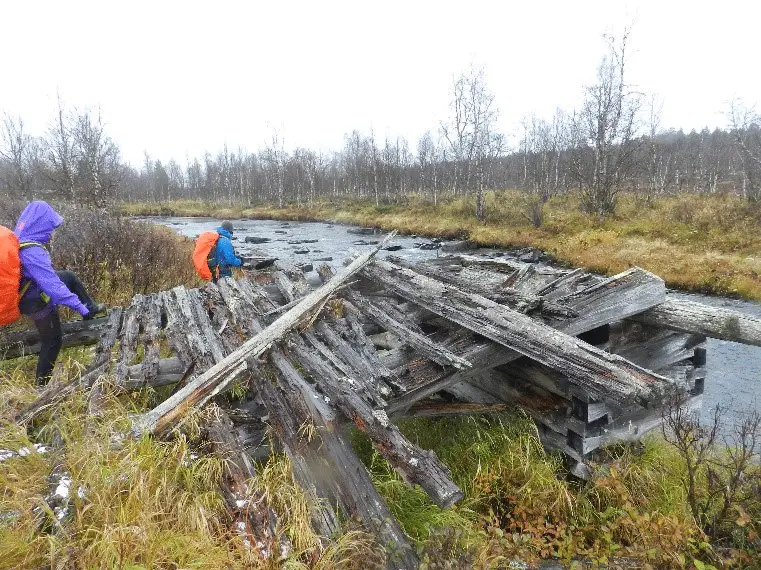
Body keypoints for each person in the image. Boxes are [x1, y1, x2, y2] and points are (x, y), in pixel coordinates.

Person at [14, 201, 106, 384]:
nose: (51, 231)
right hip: (34, 302)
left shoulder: (21, 238)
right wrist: (81, 308)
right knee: (53, 341)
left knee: (69, 277)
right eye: (49, 226)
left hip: (30, 294)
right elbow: (54, 289)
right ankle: (41, 385)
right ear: (41, 224)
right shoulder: (32, 251)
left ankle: (91, 308)